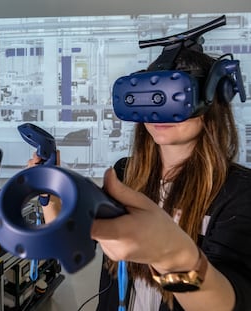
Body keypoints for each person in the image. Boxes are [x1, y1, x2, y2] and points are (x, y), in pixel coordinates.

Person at [27, 47, 251, 311]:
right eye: (153, 98)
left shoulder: (240, 191)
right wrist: (50, 193)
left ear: (214, 99)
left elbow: (229, 301)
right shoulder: (125, 173)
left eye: (176, 97)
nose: (161, 110)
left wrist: (171, 255)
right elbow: (72, 243)